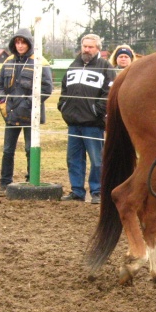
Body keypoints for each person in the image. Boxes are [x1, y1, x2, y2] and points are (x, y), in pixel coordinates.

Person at [57, 34, 116, 204]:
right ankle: (77, 191)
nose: (87, 50)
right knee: (73, 159)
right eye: (84, 46)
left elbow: (109, 93)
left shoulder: (105, 67)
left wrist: (96, 112)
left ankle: (97, 191)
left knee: (97, 160)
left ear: (98, 48)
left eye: (90, 47)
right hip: (73, 123)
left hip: (93, 124)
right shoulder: (73, 65)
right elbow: (64, 88)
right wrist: (63, 106)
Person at [0, 28, 54, 197]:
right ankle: (4, 184)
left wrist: (28, 104)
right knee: (7, 150)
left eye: (23, 42)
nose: (20, 45)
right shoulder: (8, 61)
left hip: (30, 114)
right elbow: (0, 85)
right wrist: (2, 101)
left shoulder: (40, 61)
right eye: (17, 42)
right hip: (10, 114)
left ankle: (31, 180)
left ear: (29, 43)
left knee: (30, 148)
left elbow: (47, 88)